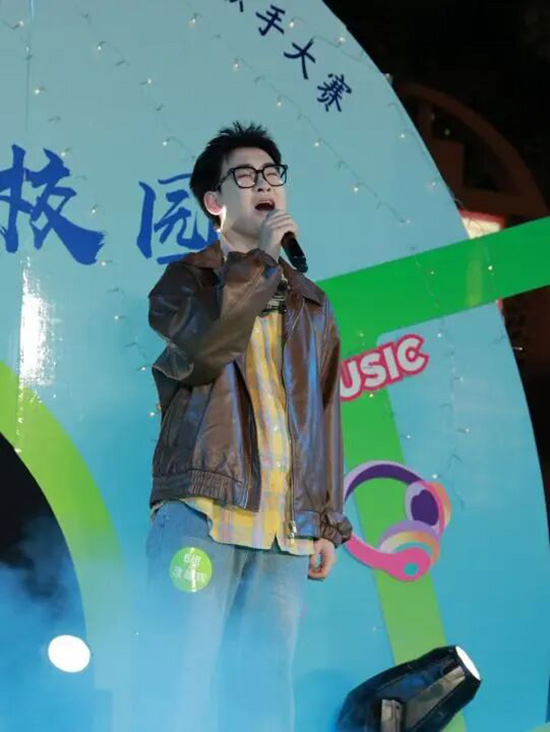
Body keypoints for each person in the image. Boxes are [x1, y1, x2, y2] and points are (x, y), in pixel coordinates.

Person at [139, 121, 352, 732]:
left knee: (262, 699)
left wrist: (326, 521)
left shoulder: (313, 302)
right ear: (215, 200)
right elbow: (208, 350)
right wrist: (260, 261)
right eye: (247, 175)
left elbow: (324, 412)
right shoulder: (185, 282)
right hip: (203, 514)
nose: (265, 185)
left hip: (283, 527)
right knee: (176, 687)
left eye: (273, 174)